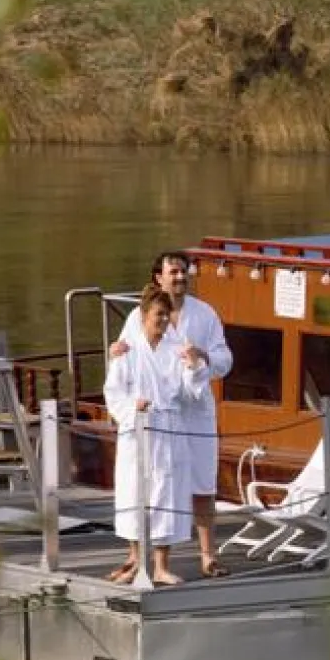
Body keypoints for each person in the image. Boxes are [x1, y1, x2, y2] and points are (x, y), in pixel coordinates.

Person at [111, 250, 233, 578]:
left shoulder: (205, 314)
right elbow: (124, 359)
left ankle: (208, 556)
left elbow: (226, 360)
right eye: (174, 272)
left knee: (202, 485)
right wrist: (114, 353)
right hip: (155, 416)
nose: (180, 277)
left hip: (196, 411)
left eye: (184, 272)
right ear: (158, 277)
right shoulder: (138, 317)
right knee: (146, 482)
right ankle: (136, 558)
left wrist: (202, 356)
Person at [104, 285, 209, 585]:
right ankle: (136, 561)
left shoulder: (177, 350)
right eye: (158, 314)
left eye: (167, 314)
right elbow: (113, 391)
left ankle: (161, 566)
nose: (164, 320)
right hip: (137, 429)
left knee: (166, 493)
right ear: (143, 316)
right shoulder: (127, 350)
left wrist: (193, 367)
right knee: (134, 491)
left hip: (168, 430)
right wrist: (131, 408)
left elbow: (191, 395)